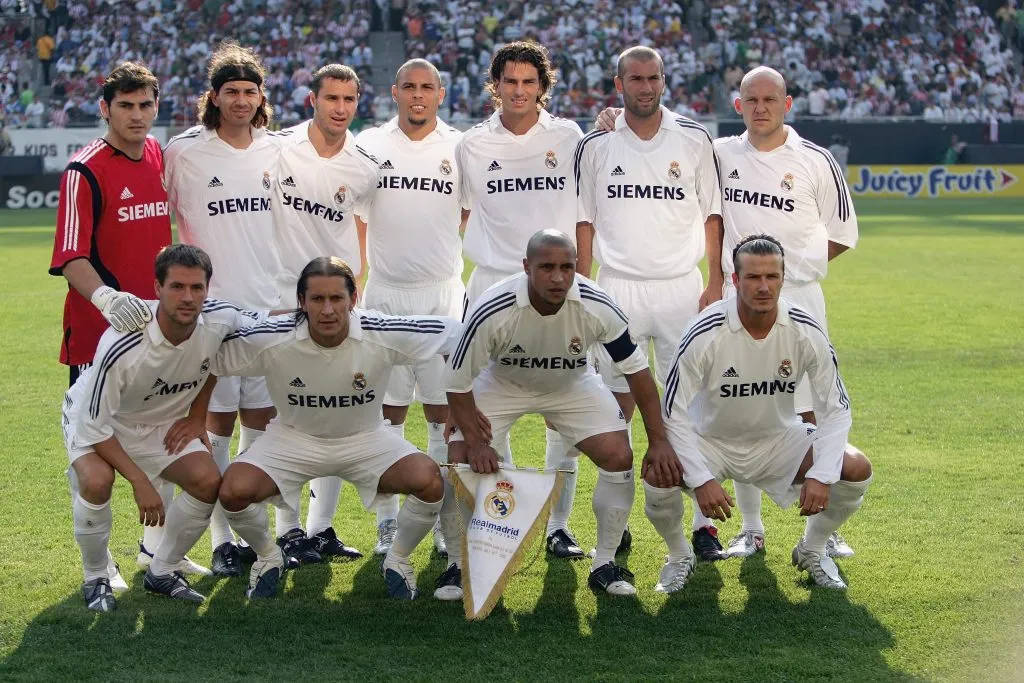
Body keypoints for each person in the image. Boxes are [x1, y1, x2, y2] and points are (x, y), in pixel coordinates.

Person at [438, 230, 680, 599]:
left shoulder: (597, 304)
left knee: (619, 455)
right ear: (526, 267)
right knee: (458, 459)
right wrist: (472, 439)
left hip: (573, 384)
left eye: (567, 267)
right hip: (503, 383)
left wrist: (659, 440)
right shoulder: (494, 307)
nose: (558, 277)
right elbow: (456, 381)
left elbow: (638, 374)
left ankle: (604, 563)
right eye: (546, 267)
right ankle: (459, 565)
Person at [213, 257, 461, 600]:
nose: (327, 309)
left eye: (336, 299)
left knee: (430, 481)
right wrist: (193, 415)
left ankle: (398, 559)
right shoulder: (272, 337)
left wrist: (463, 408)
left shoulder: (379, 330)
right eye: (317, 299)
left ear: (353, 299)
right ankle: (269, 557)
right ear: (300, 302)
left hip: (366, 439)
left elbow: (454, 335)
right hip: (293, 439)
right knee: (232, 490)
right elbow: (207, 353)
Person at [47, 62, 206, 584]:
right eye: (125, 106)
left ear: (156, 107)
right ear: (104, 109)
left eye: (145, 105)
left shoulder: (158, 155)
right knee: (94, 462)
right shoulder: (85, 169)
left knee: (162, 441)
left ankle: (156, 552)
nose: (137, 116)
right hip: (99, 336)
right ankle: (99, 563)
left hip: (159, 339)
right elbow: (71, 257)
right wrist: (108, 299)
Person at [578, 46, 725, 561]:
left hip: (680, 288)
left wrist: (716, 279)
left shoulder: (693, 138)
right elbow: (584, 222)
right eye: (635, 78)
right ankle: (615, 533)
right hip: (616, 289)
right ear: (619, 83)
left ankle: (705, 528)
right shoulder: (597, 142)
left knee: (692, 407)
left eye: (653, 77)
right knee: (614, 414)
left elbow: (713, 214)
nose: (645, 86)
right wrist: (581, 285)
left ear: (665, 80)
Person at [662, 234, 872, 590]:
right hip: (710, 442)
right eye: (753, 277)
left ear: (783, 279)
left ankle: (813, 548)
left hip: (777, 441)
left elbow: (835, 409)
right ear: (735, 280)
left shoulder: (804, 329)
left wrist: (821, 474)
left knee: (854, 468)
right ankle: (680, 555)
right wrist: (700, 478)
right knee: (658, 472)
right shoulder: (704, 331)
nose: (763, 286)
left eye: (771, 277)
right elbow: (673, 413)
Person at [61, 245, 263, 611]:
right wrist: (141, 481)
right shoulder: (122, 342)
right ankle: (96, 576)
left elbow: (222, 355)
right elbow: (94, 427)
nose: (188, 298)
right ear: (157, 288)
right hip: (100, 420)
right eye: (177, 287)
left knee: (206, 480)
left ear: (207, 289)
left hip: (160, 419)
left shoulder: (219, 319)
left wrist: (197, 415)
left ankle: (163, 571)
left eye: (197, 288)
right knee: (96, 481)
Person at [714, 66, 860, 560]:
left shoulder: (816, 160)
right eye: (750, 99)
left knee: (814, 407)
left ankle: (821, 530)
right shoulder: (720, 155)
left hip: (800, 302)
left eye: (770, 99)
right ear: (738, 106)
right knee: (741, 407)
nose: (760, 107)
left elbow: (841, 233)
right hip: (737, 303)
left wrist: (791, 277)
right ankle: (750, 529)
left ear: (787, 103)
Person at [163, 42, 295, 577]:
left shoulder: (279, 149)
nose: (240, 100)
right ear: (212, 97)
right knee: (213, 424)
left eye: (249, 91)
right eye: (230, 91)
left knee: (262, 424)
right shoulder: (183, 152)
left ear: (261, 96)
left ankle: (255, 527)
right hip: (210, 315)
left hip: (268, 309)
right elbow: (160, 218)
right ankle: (220, 540)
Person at [455, 41, 588, 560]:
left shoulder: (569, 136)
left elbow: (583, 211)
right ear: (495, 85)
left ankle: (558, 526)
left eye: (528, 82)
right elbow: (464, 212)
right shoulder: (471, 145)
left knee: (564, 412)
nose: (518, 90)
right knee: (484, 411)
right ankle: (499, 517)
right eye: (509, 81)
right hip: (490, 284)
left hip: (556, 287)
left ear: (542, 87)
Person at [268, 62, 380, 562]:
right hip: (281, 303)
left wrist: (359, 283)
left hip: (337, 308)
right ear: (311, 99)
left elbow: (365, 226)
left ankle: (321, 528)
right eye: (331, 98)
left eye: (349, 99)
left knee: (338, 414)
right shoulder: (276, 148)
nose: (340, 108)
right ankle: (287, 530)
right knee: (277, 420)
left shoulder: (364, 164)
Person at [355, 58, 463, 557]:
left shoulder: (460, 146)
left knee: (443, 413)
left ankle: (442, 517)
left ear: (441, 94)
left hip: (442, 295)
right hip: (385, 295)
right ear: (393, 92)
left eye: (427, 87)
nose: (418, 95)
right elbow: (355, 215)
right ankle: (387, 521)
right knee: (386, 413)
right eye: (409, 87)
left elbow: (463, 212)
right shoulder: (371, 145)